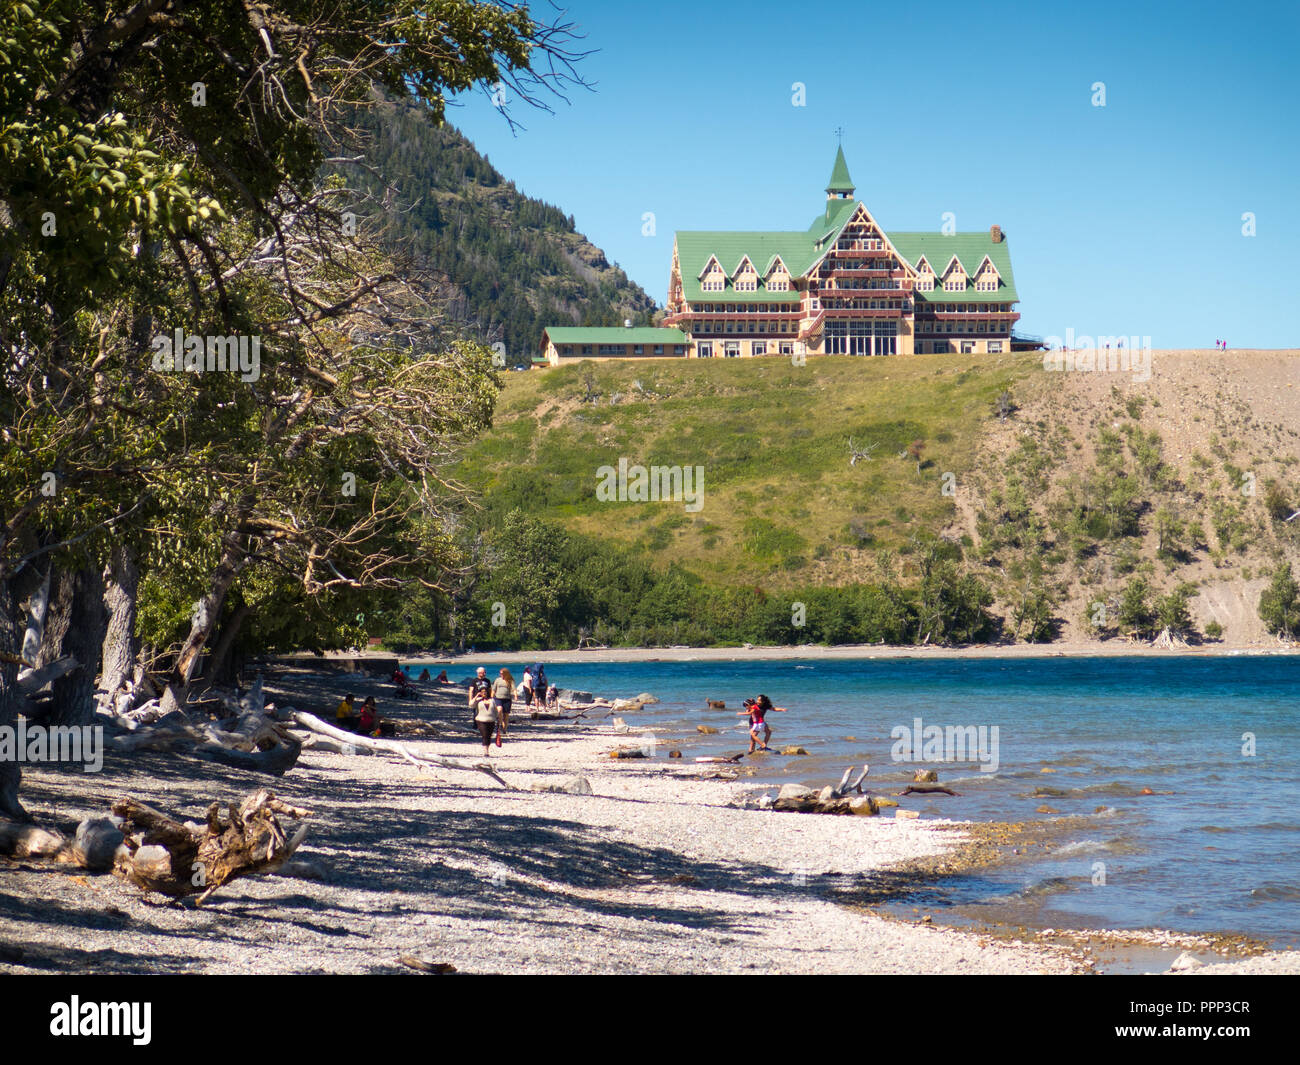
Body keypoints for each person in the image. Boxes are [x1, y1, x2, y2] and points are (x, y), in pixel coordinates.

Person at [473, 679, 501, 755]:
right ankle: (486, 751)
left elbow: (496, 710)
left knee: (489, 736)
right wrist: (476, 696)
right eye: (482, 692)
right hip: (481, 720)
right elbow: (471, 704)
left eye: (485, 692)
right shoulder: (478, 700)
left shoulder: (492, 700)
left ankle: (487, 749)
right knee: (485, 735)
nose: (484, 693)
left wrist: (498, 718)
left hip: (491, 720)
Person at [493, 668, 514, 736]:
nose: (501, 674)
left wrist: (516, 695)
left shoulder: (510, 680)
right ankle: (499, 723)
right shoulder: (497, 680)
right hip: (498, 698)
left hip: (507, 699)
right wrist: (491, 697)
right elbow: (494, 689)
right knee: (499, 710)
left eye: (502, 673)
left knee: (506, 715)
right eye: (500, 673)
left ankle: (504, 729)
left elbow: (513, 688)